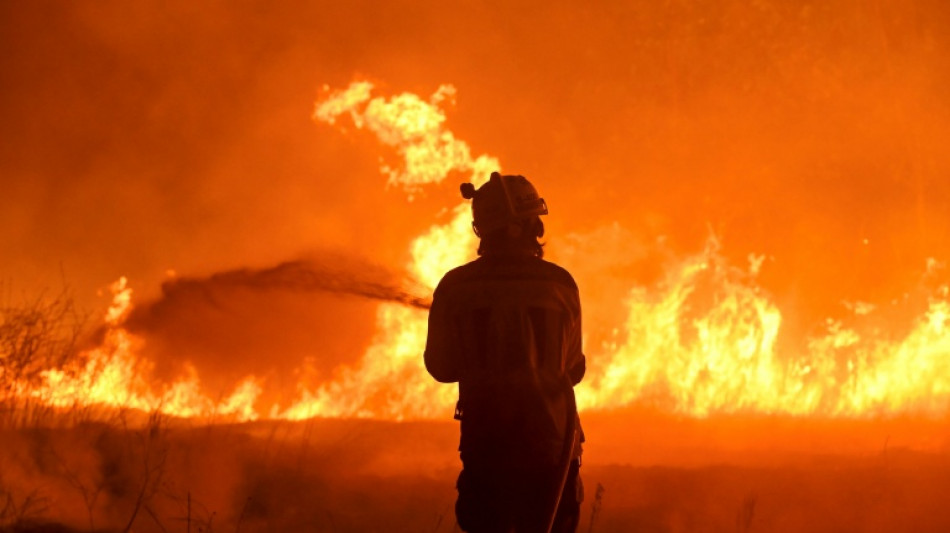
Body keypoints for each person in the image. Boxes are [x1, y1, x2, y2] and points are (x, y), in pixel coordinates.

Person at [424, 172, 585, 533]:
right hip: (552, 451)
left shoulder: (455, 287)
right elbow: (574, 369)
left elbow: (440, 366)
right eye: (533, 222)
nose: (538, 230)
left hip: (487, 447)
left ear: (483, 229)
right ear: (519, 227)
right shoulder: (560, 284)